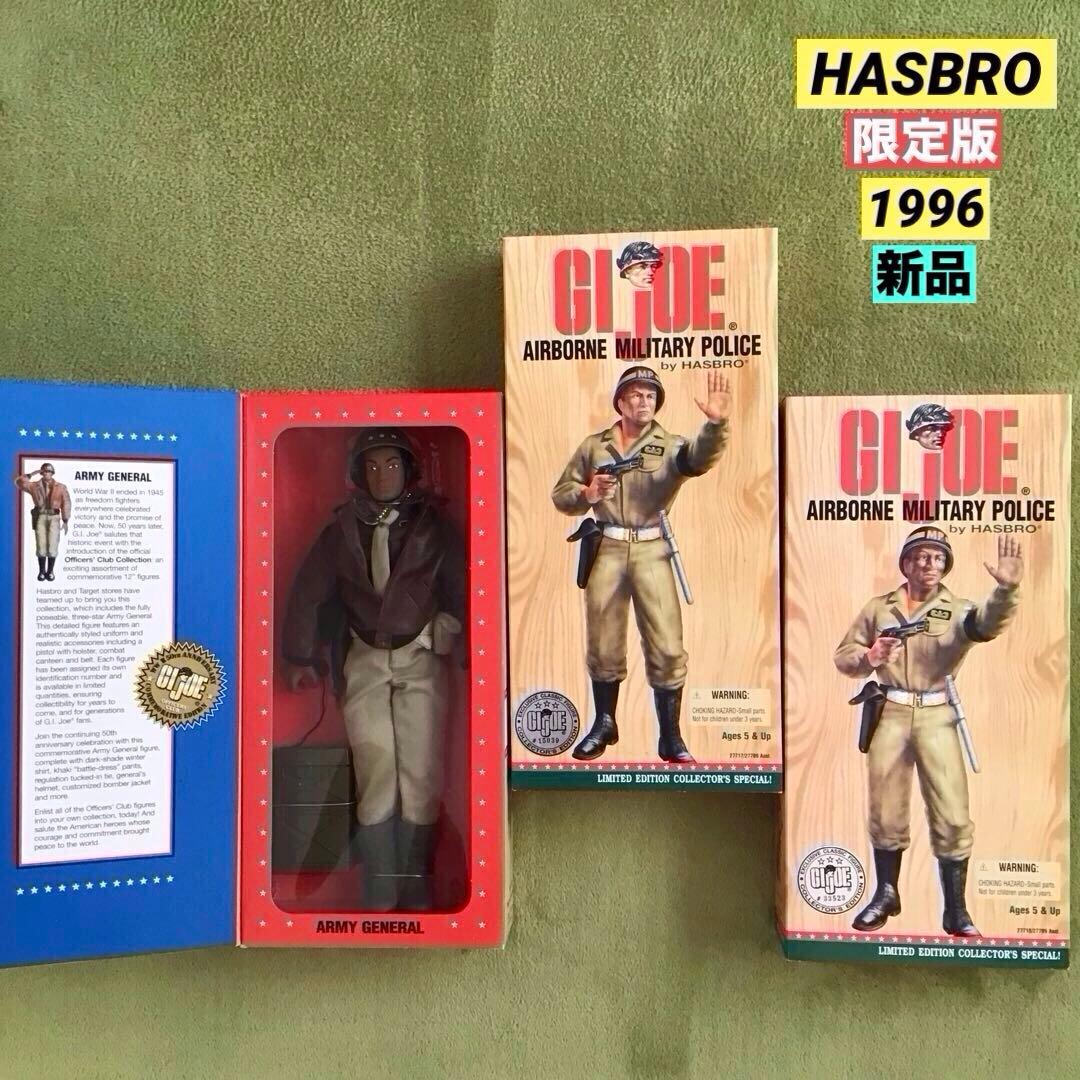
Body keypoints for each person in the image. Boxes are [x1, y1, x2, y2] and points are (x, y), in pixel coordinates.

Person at [281, 429, 465, 912]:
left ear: (409, 469)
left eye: (392, 465)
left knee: (422, 772)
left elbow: (464, 584)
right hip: (364, 655)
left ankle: (415, 882)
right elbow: (309, 592)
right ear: (358, 474)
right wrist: (300, 655)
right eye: (372, 466)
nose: (383, 475)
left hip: (421, 656)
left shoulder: (432, 527)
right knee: (375, 772)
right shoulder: (342, 531)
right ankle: (381, 885)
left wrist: (462, 636)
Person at [834, 527, 1023, 936]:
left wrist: (1006, 590)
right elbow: (844, 656)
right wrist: (870, 655)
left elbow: (987, 624)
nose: (929, 564)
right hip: (890, 712)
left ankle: (956, 909)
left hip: (937, 715)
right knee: (885, 807)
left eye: (937, 558)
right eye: (920, 556)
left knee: (951, 812)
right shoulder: (879, 608)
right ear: (906, 563)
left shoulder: (958, 611)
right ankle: (886, 892)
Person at [552, 366, 731, 764]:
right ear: (620, 402)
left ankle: (670, 735)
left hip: (652, 548)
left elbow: (699, 458)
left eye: (650, 395)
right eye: (635, 394)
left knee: (666, 644)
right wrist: (587, 493)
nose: (643, 401)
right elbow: (561, 494)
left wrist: (716, 424)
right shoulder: (594, 446)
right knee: (603, 640)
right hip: (607, 548)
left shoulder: (670, 447)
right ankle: (604, 722)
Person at [14, 463, 72, 581]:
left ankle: (50, 571)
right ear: (41, 473)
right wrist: (32, 473)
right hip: (40, 516)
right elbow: (19, 482)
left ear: (52, 473)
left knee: (52, 544)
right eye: (44, 471)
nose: (46, 473)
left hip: (54, 517)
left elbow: (66, 503)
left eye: (49, 471)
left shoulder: (61, 487)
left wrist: (65, 519)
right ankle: (41, 571)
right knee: (41, 544)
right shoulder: (34, 486)